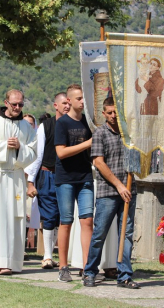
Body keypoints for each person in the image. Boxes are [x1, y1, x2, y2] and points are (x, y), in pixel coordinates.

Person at [0, 89, 37, 275]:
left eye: (20, 104)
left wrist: (20, 148)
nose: (17, 108)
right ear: (6, 102)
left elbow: (34, 152)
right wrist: (4, 146)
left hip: (16, 177)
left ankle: (11, 261)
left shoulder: (26, 127)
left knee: (13, 219)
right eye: (14, 104)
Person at [82, 97, 138, 288]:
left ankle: (124, 275)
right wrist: (119, 185)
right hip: (108, 192)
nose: (114, 116)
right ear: (104, 114)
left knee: (127, 233)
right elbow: (98, 162)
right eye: (110, 112)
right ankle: (90, 272)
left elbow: (137, 158)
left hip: (130, 191)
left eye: (116, 112)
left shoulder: (129, 133)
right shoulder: (100, 133)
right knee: (99, 233)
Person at [25, 92, 70, 269]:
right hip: (48, 174)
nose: (67, 106)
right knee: (49, 215)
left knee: (62, 215)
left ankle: (54, 254)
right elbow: (38, 154)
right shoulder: (47, 126)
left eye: (69, 103)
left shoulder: (74, 125)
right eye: (64, 103)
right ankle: (47, 255)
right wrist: (31, 180)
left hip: (67, 176)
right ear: (55, 106)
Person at [54, 84, 94, 282]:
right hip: (66, 178)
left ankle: (87, 267)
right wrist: (87, 144)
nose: (82, 101)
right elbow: (61, 152)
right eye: (79, 98)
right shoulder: (62, 124)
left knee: (87, 220)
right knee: (66, 221)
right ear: (68, 101)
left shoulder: (88, 122)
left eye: (83, 98)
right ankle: (63, 266)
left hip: (85, 176)